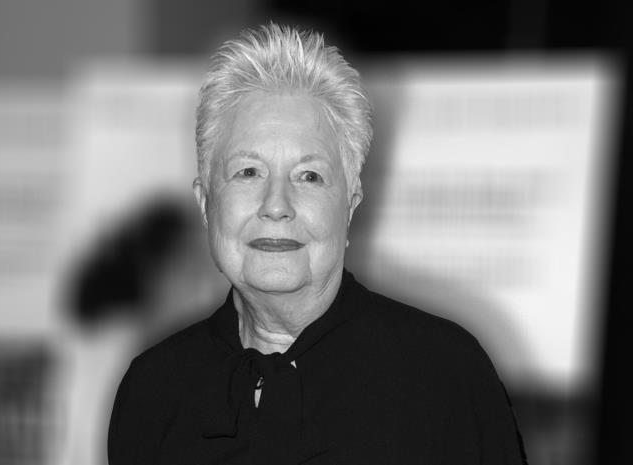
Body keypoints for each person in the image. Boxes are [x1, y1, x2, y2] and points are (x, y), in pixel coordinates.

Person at [107, 23, 528, 464]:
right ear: (205, 202)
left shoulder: (445, 373)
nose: (276, 205)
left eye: (309, 176)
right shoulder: (153, 388)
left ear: (351, 204)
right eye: (248, 172)